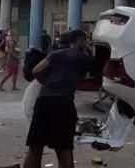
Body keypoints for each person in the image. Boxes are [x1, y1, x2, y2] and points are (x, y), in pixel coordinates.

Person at [23, 30, 95, 168]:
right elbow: (99, 77)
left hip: (43, 100)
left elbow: (36, 71)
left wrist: (48, 83)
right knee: (64, 150)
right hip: (63, 102)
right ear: (81, 41)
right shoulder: (83, 57)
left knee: (35, 147)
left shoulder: (54, 54)